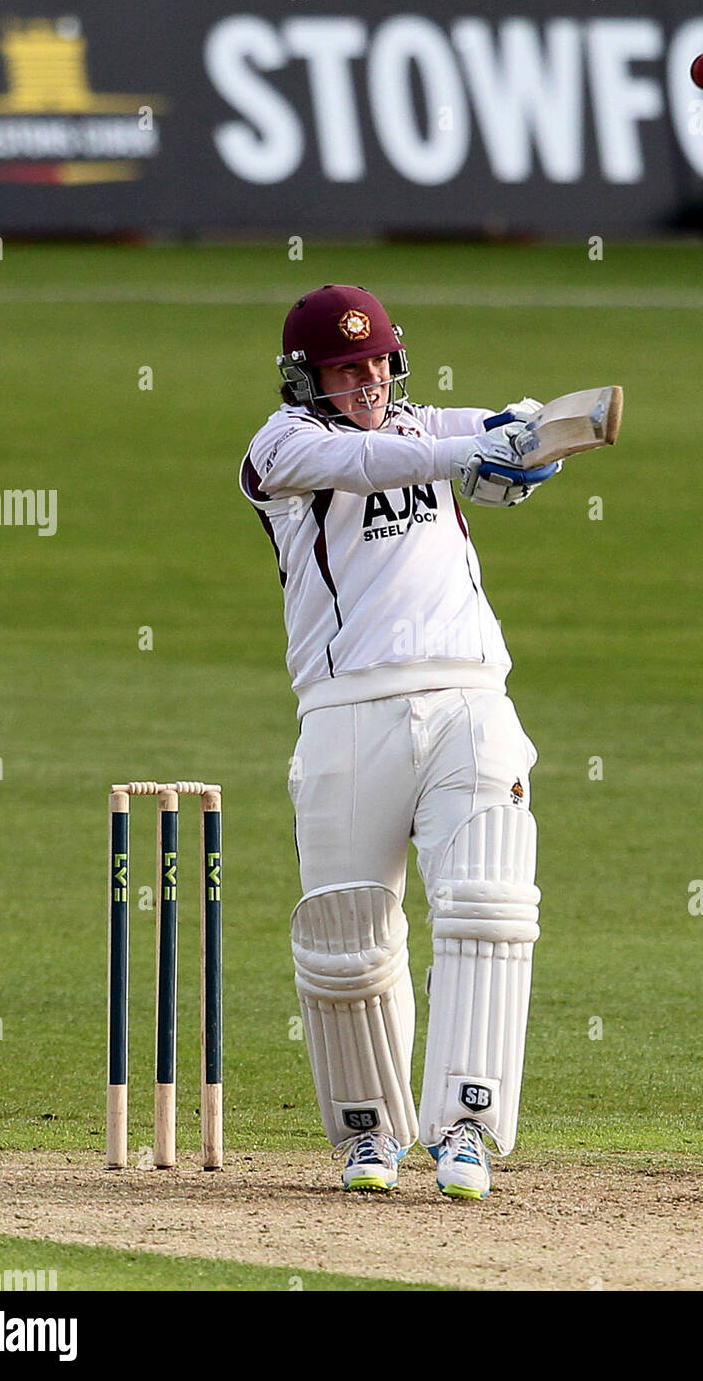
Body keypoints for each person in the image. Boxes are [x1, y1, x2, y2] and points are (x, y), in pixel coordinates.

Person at [239, 284, 559, 1199]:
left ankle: (463, 1128)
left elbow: (517, 428)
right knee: (347, 939)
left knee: (488, 904)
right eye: (347, 367)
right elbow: (375, 460)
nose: (369, 379)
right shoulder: (282, 446)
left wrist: (540, 442)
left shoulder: (425, 422)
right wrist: (471, 449)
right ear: (306, 378)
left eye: (378, 360)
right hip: (345, 715)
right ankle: (367, 1137)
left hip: (470, 702)